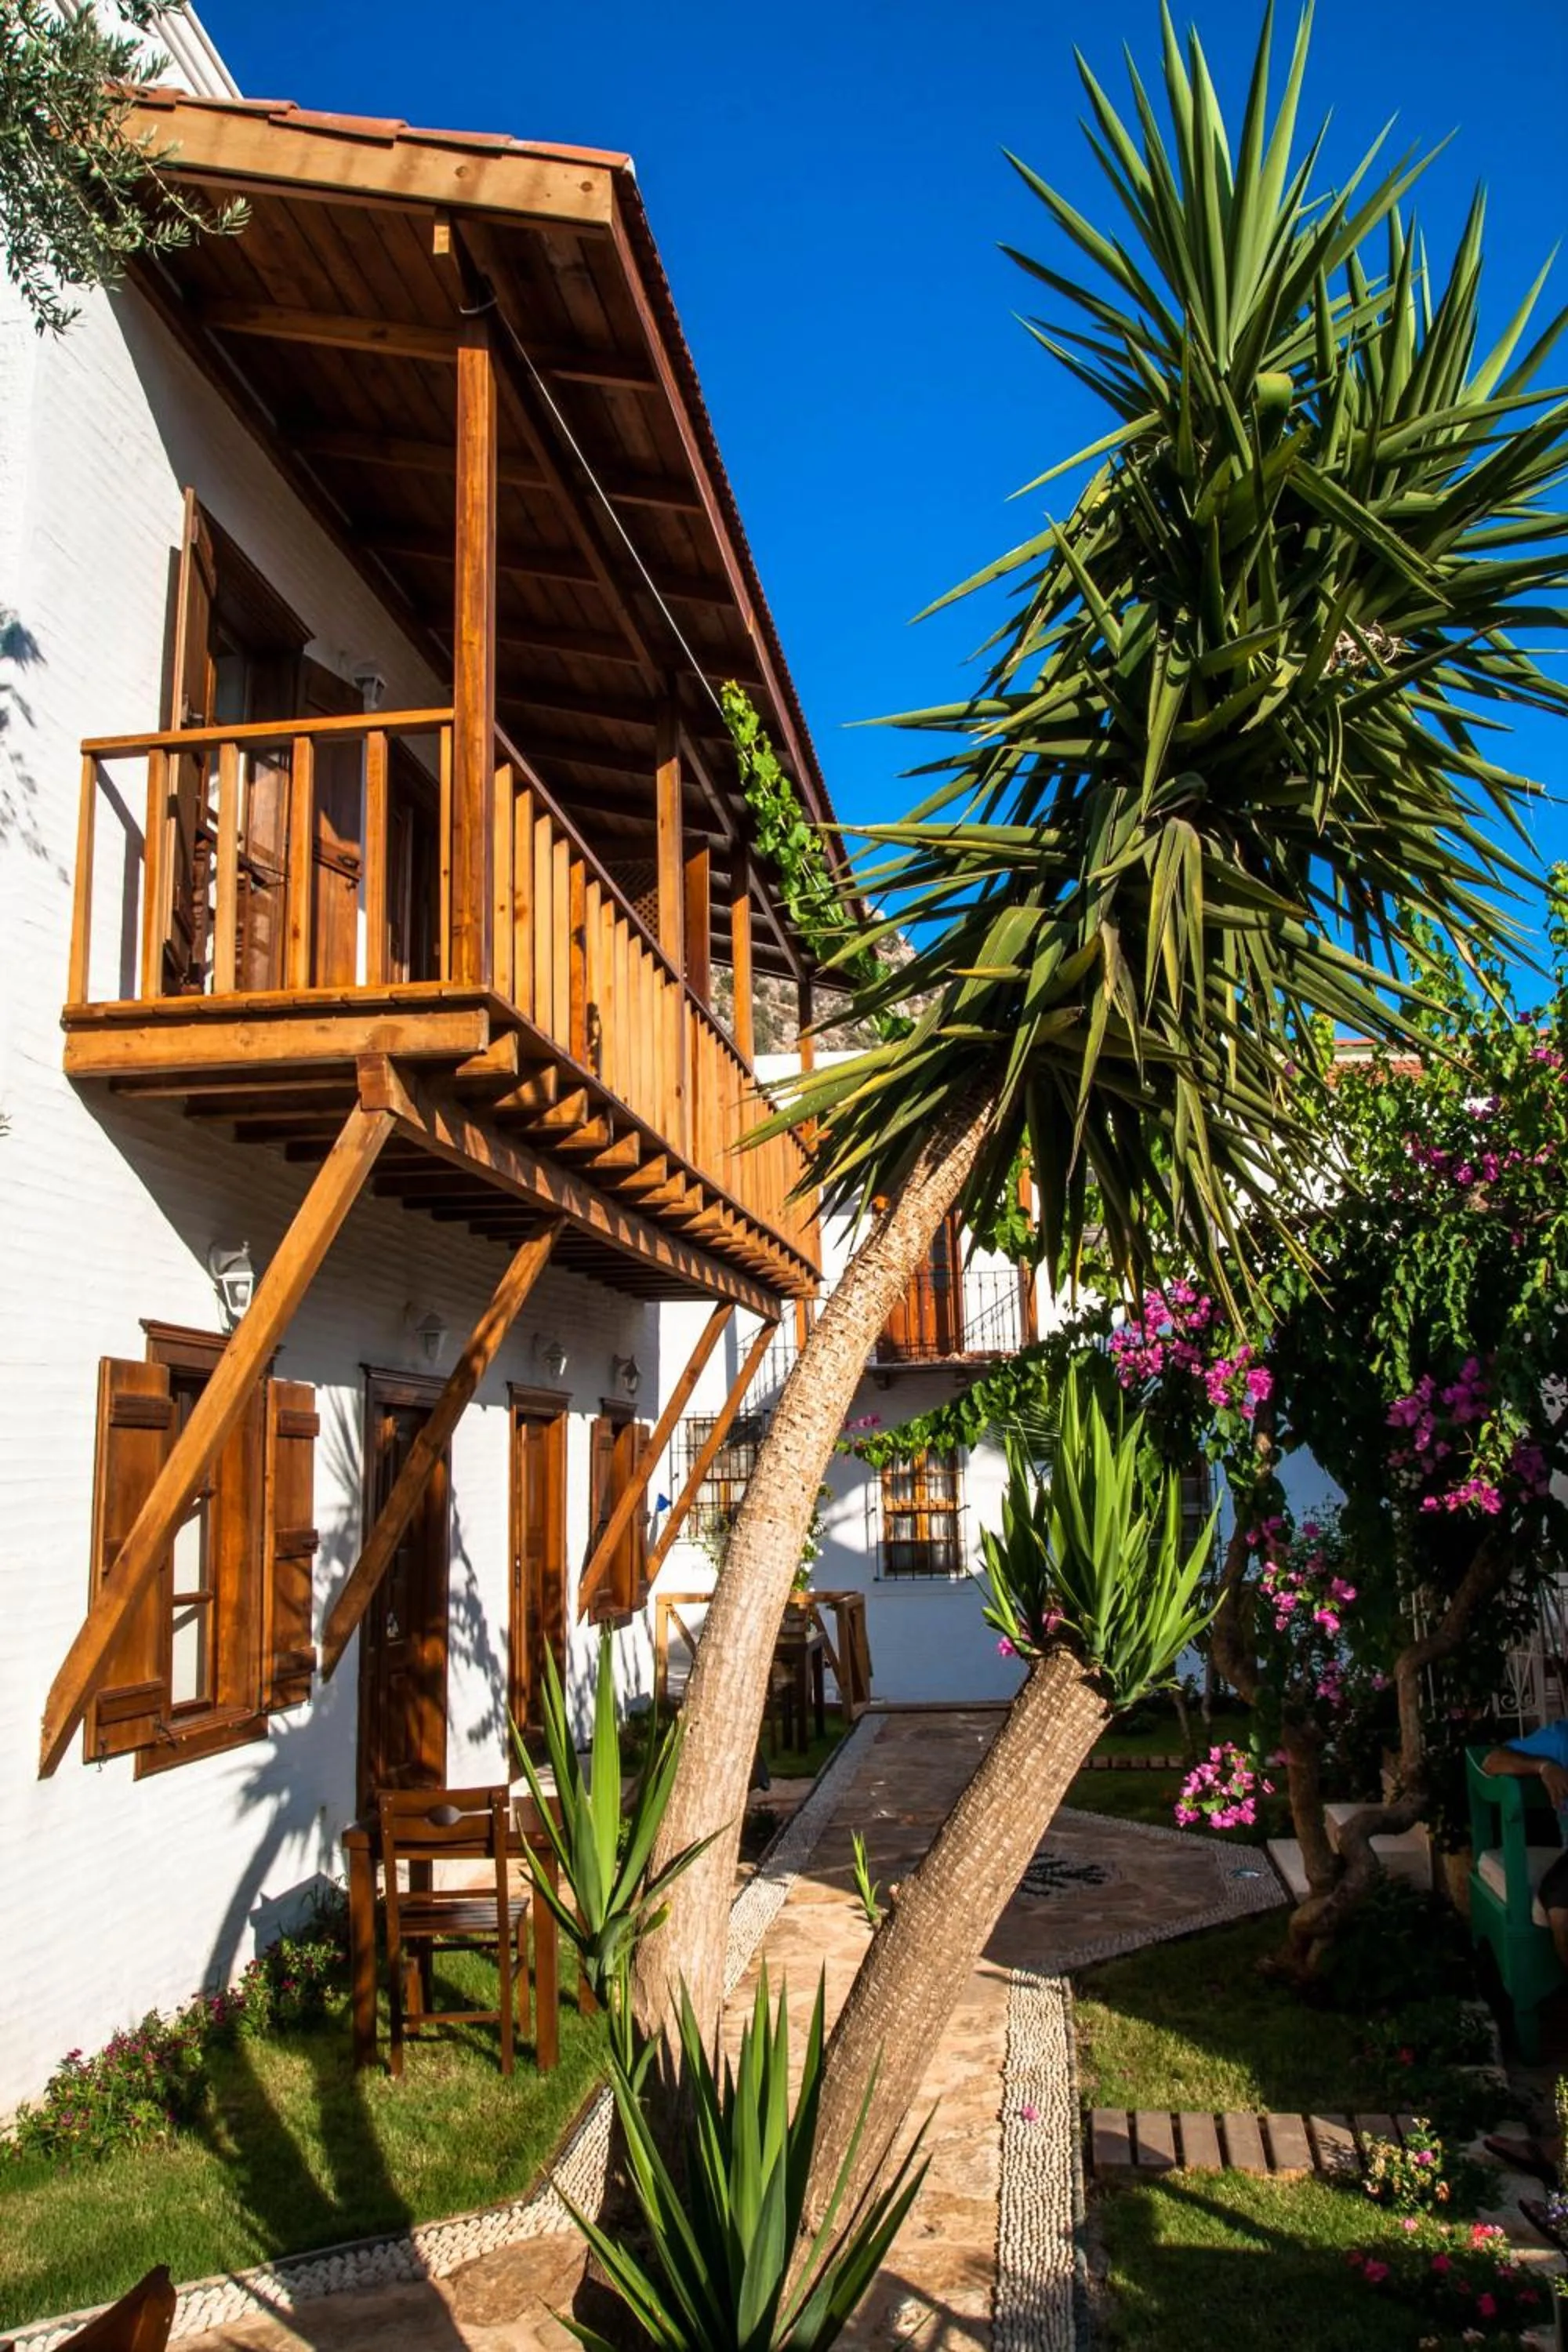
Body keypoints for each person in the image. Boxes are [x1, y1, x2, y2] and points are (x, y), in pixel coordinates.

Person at [1479, 1726, 1568, 2187]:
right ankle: (1558, 2151)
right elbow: (1491, 1761)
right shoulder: (1560, 1739)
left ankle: (1558, 2152)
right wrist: (1542, 1767)